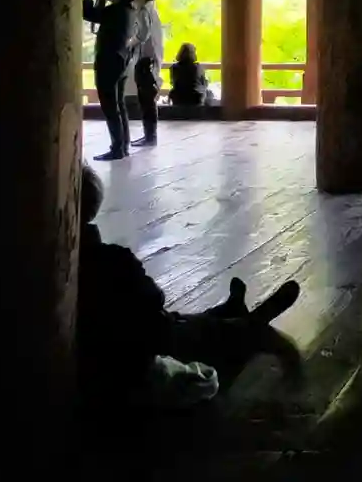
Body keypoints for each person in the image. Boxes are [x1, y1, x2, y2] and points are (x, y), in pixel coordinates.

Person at [77, 164, 300, 409]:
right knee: (188, 332)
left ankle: (227, 314)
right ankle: (247, 325)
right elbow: (154, 304)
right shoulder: (113, 259)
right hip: (145, 348)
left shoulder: (84, 261)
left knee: (182, 324)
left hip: (135, 343)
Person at [83, 0, 138, 161]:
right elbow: (98, 14)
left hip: (108, 61)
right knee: (119, 105)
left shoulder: (115, 10)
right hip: (122, 61)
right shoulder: (129, 10)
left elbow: (89, 14)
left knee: (110, 107)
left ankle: (117, 148)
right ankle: (123, 146)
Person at [131, 0, 165, 147]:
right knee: (148, 100)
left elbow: (143, 34)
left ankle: (150, 137)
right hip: (151, 60)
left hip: (145, 60)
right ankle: (149, 135)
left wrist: (130, 43)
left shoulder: (144, 10)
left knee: (146, 100)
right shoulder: (152, 10)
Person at [168, 42, 212, 106]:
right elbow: (203, 83)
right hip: (196, 99)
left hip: (178, 99)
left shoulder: (174, 68)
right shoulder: (197, 67)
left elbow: (173, 82)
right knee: (208, 92)